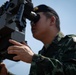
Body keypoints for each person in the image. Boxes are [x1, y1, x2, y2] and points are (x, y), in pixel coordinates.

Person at [0, 4, 76, 75]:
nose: (32, 24)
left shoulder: (71, 41)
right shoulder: (43, 54)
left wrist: (33, 58)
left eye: (35, 18)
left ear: (52, 20)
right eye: (31, 21)